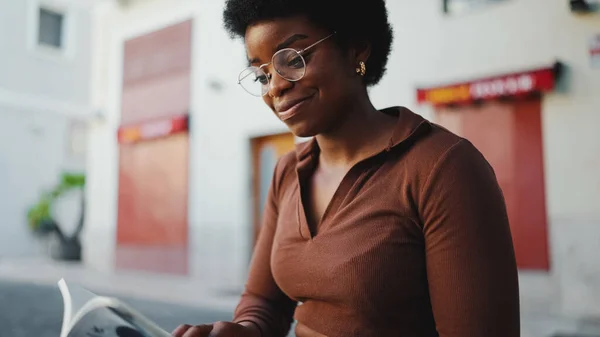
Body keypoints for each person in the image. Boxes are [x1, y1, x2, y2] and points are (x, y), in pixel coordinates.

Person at [172, 0, 521, 336]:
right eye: (262, 75)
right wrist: (245, 330)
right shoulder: (288, 172)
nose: (276, 86)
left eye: (293, 58)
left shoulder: (442, 169)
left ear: (357, 48)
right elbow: (265, 302)